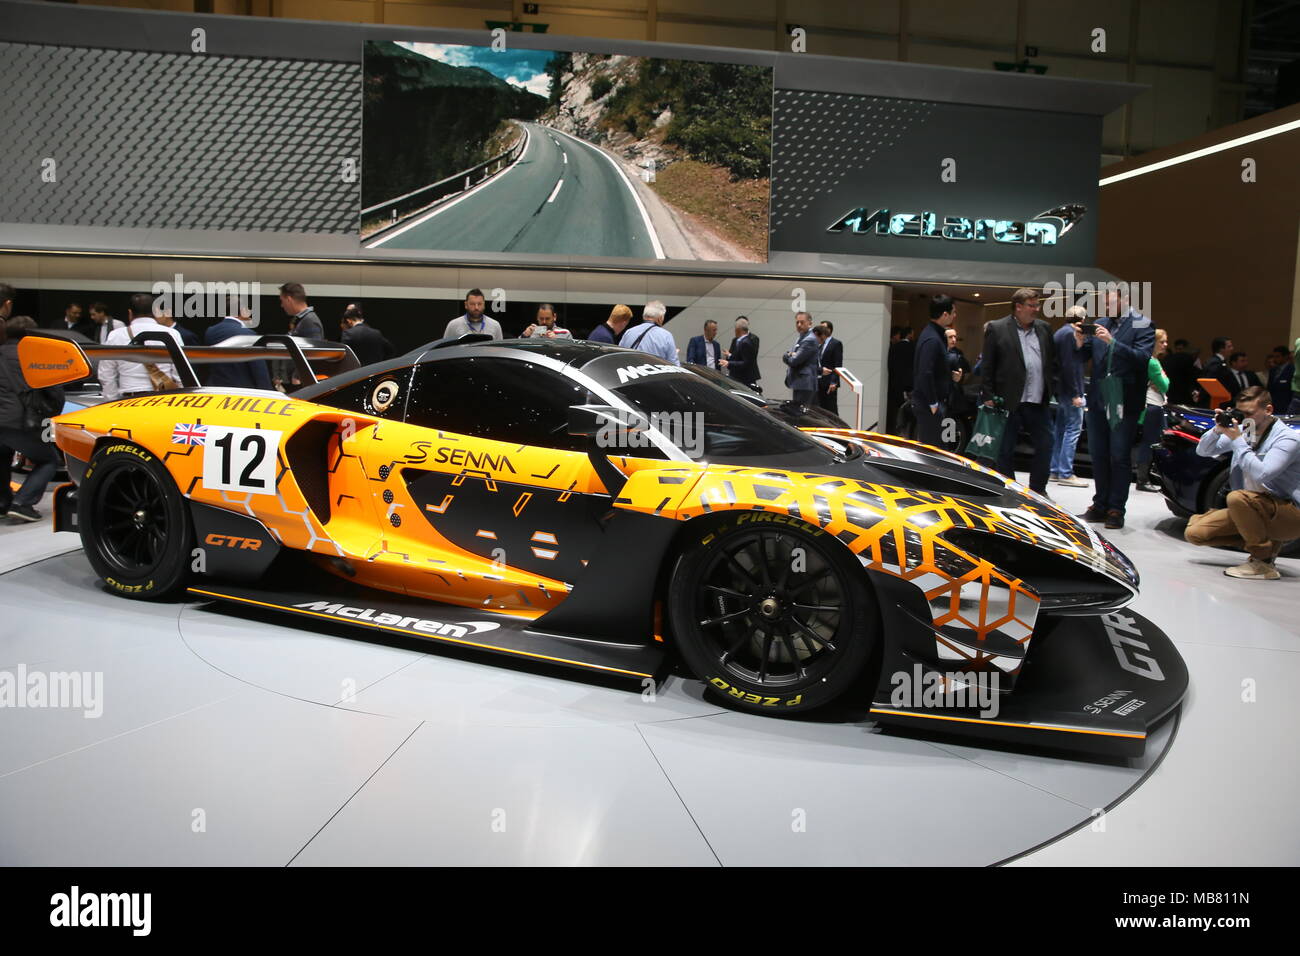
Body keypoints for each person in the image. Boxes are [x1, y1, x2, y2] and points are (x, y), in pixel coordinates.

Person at [1184, 385, 1300, 580]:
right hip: (1254, 509)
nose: (1244, 418)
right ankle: (1267, 543)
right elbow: (1203, 451)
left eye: (1249, 413)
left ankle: (1262, 562)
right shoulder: (1246, 431)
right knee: (1195, 533)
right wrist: (1217, 429)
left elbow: (1263, 474)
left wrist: (1237, 440)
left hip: (1289, 514)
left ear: (1268, 410)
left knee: (1237, 498)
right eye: (1240, 413)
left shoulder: (1287, 439)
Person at [1072, 286, 1156, 529]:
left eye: (1110, 303)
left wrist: (1112, 342)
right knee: (1098, 454)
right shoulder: (1100, 322)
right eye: (1104, 303)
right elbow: (1083, 356)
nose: (1106, 308)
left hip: (1124, 398)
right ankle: (1100, 504)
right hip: (1099, 397)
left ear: (1125, 300)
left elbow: (1142, 359)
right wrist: (1079, 342)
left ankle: (1116, 509)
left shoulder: (1143, 323)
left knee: (1119, 456)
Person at [980, 288, 1057, 496]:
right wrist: (987, 395)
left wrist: (1053, 388)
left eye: (1037, 305)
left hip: (1037, 399)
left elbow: (1052, 362)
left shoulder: (1044, 328)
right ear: (1018, 307)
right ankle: (1010, 490)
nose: (1036, 309)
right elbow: (987, 365)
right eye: (1032, 306)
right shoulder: (997, 328)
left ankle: (1038, 491)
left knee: (1047, 443)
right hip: (1007, 400)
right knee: (1004, 449)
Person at [0, 316, 65, 522]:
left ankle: (3, 503)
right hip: (19, 420)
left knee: (2, 458)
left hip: (3, 421)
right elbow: (55, 392)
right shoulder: (36, 357)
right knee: (49, 460)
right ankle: (23, 503)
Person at [99, 292, 184, 401]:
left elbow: (106, 375)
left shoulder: (115, 335)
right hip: (163, 398)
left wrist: (111, 401)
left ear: (130, 313)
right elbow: (180, 372)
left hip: (129, 400)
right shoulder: (172, 334)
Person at [1050, 305, 1089, 488]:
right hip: (1070, 390)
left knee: (1061, 430)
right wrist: (1075, 393)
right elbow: (1069, 366)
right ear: (1081, 320)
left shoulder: (1061, 333)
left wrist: (1079, 345)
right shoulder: (1067, 335)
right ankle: (1065, 472)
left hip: (1061, 389)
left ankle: (1056, 470)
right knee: (1072, 430)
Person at [911, 295, 956, 447]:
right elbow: (925, 372)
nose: (954, 315)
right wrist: (933, 403)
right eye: (953, 312)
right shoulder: (932, 338)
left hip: (933, 403)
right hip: (930, 404)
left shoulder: (934, 334)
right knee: (933, 451)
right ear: (945, 314)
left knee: (937, 449)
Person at [1134, 328, 1171, 493]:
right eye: (1162, 342)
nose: (1165, 345)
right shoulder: (1152, 362)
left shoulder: (1152, 360)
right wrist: (1164, 378)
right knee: (1150, 443)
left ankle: (1145, 477)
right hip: (1152, 405)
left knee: (1151, 442)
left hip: (1155, 404)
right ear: (1153, 342)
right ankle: (1142, 479)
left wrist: (1162, 379)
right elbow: (1165, 385)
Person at [206, 305, 272, 391]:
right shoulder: (248, 333)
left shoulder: (210, 331)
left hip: (215, 388)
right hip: (242, 390)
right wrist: (266, 390)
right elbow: (258, 367)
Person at [782, 311, 819, 407]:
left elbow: (794, 361)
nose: (799, 325)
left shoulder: (809, 339)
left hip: (805, 383)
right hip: (800, 382)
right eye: (797, 322)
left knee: (801, 414)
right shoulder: (801, 337)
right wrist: (791, 355)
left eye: (802, 322)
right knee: (798, 413)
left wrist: (786, 355)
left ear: (810, 323)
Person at [886, 325, 914, 434]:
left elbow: (890, 366)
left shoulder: (894, 347)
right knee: (908, 411)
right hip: (908, 385)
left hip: (895, 384)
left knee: (895, 409)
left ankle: (894, 430)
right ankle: (905, 432)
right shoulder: (912, 347)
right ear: (909, 334)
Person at [816, 320, 844, 416]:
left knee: (831, 410)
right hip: (818, 382)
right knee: (820, 410)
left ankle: (837, 429)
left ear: (829, 330)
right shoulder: (818, 344)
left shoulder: (836, 343)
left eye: (822, 328)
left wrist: (834, 382)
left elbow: (838, 364)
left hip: (829, 383)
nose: (820, 330)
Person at [1163, 338, 1200, 406]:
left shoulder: (1168, 358)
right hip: (1184, 393)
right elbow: (1191, 375)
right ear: (1186, 348)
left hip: (1170, 391)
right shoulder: (1188, 358)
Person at [726, 316, 760, 390]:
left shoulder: (753, 339)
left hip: (747, 375)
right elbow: (732, 354)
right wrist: (729, 358)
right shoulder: (735, 340)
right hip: (735, 374)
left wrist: (730, 361)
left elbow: (749, 359)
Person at [1266, 345, 1293, 414]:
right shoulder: (1273, 370)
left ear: (1285, 356)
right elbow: (1269, 388)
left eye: (1277, 356)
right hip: (1273, 405)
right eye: (1274, 356)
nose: (1275, 359)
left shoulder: (1292, 370)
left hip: (1287, 405)